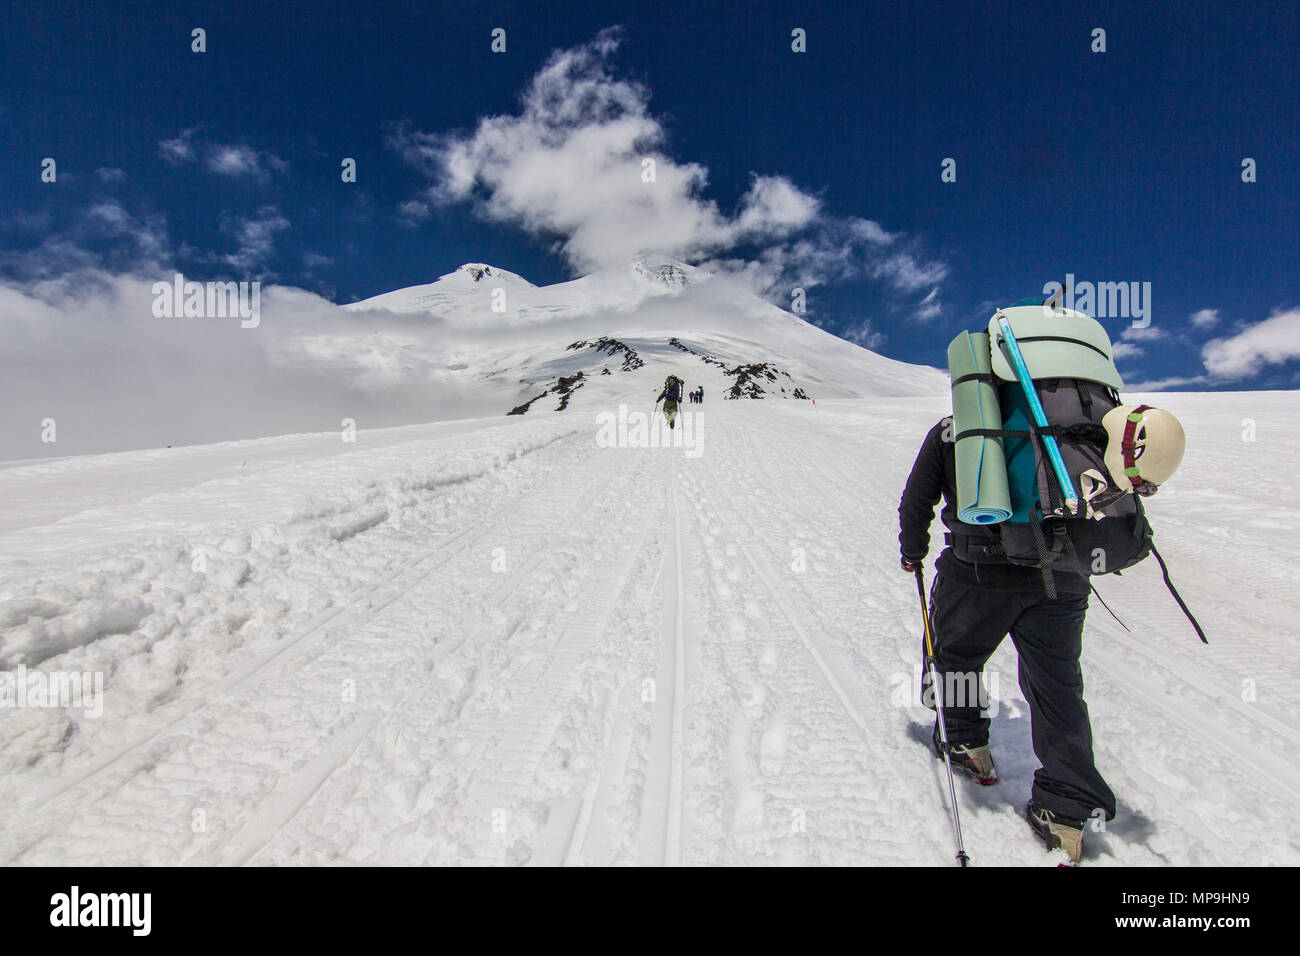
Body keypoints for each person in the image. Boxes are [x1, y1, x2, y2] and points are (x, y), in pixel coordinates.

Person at [898, 416, 1114, 863]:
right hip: (1063, 574)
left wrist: (912, 549)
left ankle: (966, 742)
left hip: (979, 570)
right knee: (1057, 684)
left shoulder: (953, 428)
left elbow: (918, 497)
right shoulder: (1074, 417)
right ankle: (1066, 810)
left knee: (957, 655)